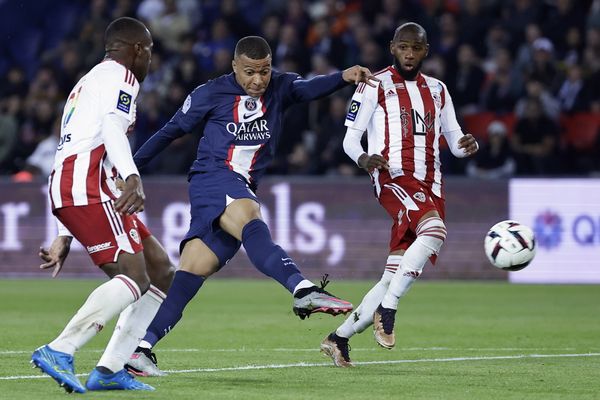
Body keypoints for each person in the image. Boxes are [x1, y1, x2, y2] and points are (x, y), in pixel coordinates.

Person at [125, 35, 379, 376]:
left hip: (234, 184)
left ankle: (141, 350)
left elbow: (309, 89)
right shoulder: (210, 93)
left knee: (191, 273)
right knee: (250, 217)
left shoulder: (281, 87)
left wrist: (342, 77)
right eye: (249, 72)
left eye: (264, 71)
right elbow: (169, 132)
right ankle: (302, 288)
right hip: (215, 176)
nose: (258, 80)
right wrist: (129, 170)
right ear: (234, 66)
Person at [320, 22, 478, 367]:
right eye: (403, 47)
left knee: (392, 275)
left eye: (416, 48)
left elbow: (455, 142)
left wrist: (470, 145)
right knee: (434, 231)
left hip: (431, 186)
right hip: (392, 177)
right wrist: (363, 158)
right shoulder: (373, 84)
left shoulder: (438, 90)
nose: (409, 53)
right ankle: (387, 311)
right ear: (392, 48)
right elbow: (350, 139)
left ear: (426, 51)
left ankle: (338, 338)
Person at [30, 17, 175, 392]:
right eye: (150, 52)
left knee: (160, 271)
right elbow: (111, 129)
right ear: (137, 50)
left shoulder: (89, 81)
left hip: (78, 183)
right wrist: (132, 177)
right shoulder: (122, 78)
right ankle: (60, 349)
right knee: (134, 277)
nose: (150, 61)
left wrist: (64, 233)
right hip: (89, 184)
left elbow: (78, 140)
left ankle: (109, 370)